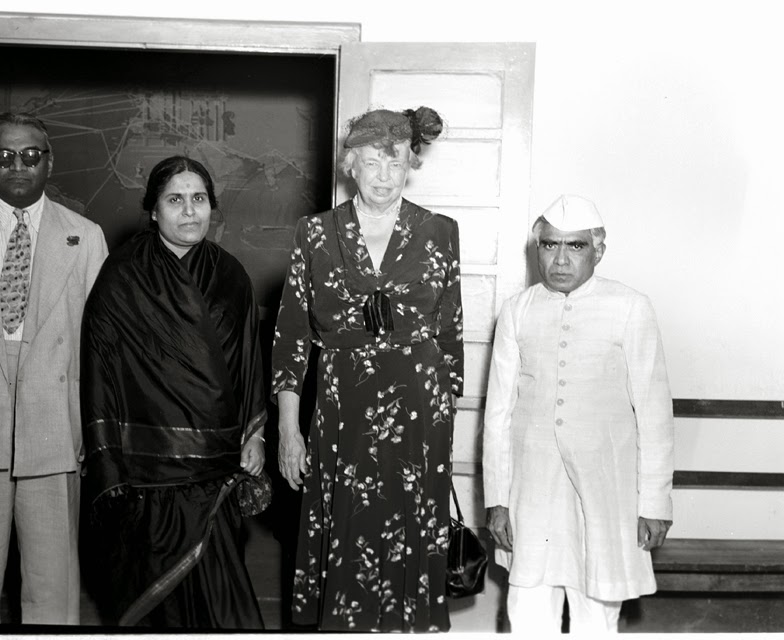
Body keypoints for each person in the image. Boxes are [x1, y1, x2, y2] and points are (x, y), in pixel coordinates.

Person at [271, 107, 463, 632]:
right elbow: (291, 338)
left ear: (411, 165)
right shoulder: (315, 233)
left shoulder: (440, 232)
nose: (384, 175)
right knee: (347, 533)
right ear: (350, 165)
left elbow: (450, 336)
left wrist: (444, 428)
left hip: (419, 414)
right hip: (342, 411)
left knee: (410, 534)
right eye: (371, 161)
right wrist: (289, 430)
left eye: (395, 161)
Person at [80, 156, 267, 629]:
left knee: (224, 609)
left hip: (217, 470)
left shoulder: (231, 275)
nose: (189, 212)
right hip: (148, 475)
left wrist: (256, 434)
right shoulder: (121, 277)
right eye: (175, 200)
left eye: (199, 199)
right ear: (153, 211)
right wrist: (108, 463)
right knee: (154, 610)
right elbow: (101, 374)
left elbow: (249, 364)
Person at [483, 194, 674, 634]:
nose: (561, 260)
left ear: (599, 251)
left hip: (606, 493)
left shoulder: (630, 307)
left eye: (576, 247)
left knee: (597, 619)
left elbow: (654, 415)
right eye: (550, 246)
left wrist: (655, 503)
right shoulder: (517, 311)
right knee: (528, 613)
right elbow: (498, 415)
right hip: (532, 493)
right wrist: (497, 500)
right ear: (537, 250)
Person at [0, 112, 108, 624]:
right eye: (3, 156)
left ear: (49, 162)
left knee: (52, 583)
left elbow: (100, 348)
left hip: (54, 428)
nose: (17, 165)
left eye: (29, 155)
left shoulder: (84, 237)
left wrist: (91, 428)